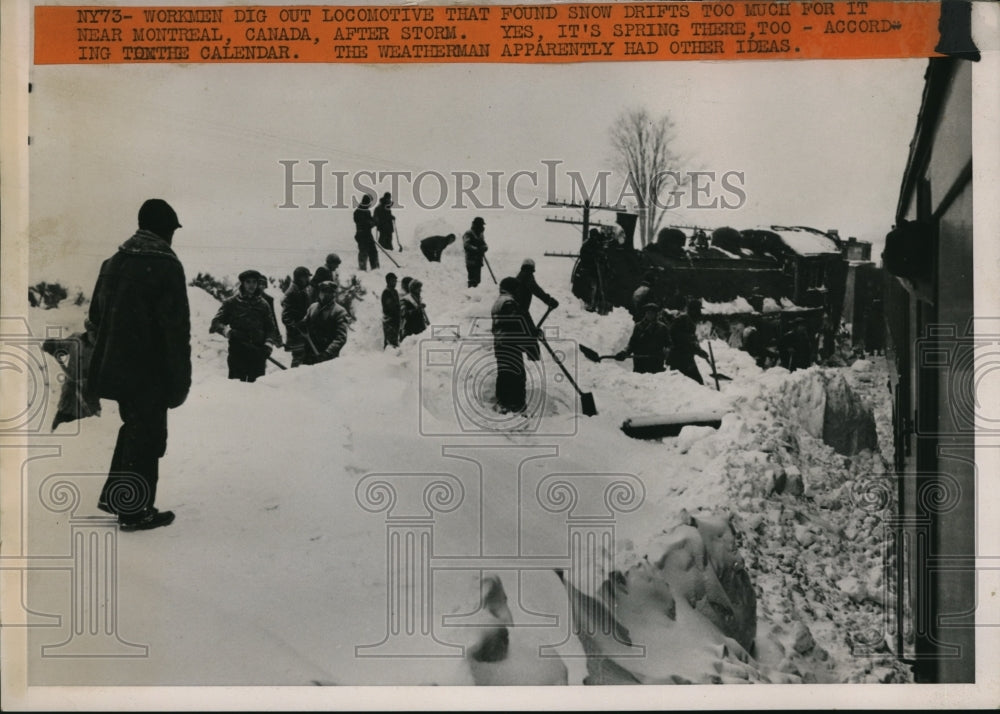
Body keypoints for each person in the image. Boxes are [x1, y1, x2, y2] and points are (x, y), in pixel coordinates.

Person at [89, 198, 190, 531]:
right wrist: (179, 379)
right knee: (147, 435)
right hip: (149, 372)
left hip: (115, 369)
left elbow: (95, 318)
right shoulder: (166, 266)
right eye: (172, 230)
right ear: (164, 229)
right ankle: (135, 512)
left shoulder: (112, 262)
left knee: (133, 428)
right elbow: (175, 330)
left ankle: (122, 502)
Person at [210, 269, 282, 382]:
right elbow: (216, 323)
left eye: (254, 282)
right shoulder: (231, 303)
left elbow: (270, 328)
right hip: (237, 353)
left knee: (256, 390)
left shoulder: (263, 304)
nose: (251, 285)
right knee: (237, 390)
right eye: (248, 282)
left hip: (258, 354)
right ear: (242, 284)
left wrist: (268, 346)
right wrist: (228, 332)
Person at [42, 318, 102, 431]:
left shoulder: (102, 351)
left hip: (88, 401)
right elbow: (62, 346)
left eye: (99, 334)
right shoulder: (77, 340)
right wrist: (53, 345)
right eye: (94, 333)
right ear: (88, 331)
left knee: (87, 431)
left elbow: (104, 376)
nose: (96, 337)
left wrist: (87, 381)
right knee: (59, 427)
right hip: (69, 396)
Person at [491, 277, 531, 413]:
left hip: (500, 344)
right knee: (518, 375)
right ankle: (517, 406)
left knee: (504, 374)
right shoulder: (509, 302)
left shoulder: (499, 301)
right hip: (509, 344)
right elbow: (515, 323)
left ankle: (503, 402)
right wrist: (529, 336)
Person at [513, 258, 558, 362]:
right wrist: (549, 300)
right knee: (532, 336)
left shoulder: (520, 276)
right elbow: (536, 290)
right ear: (532, 268)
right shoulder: (527, 276)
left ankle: (531, 358)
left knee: (530, 335)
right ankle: (534, 361)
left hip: (518, 310)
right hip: (521, 312)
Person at [300, 281, 349, 364]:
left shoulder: (339, 311)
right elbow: (305, 324)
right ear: (319, 292)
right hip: (309, 354)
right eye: (323, 291)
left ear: (334, 294)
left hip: (327, 358)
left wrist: (327, 353)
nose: (325, 294)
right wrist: (301, 325)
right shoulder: (313, 307)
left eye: (329, 292)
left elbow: (341, 338)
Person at [617, 303, 670, 374]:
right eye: (648, 313)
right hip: (640, 365)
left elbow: (668, 344)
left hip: (656, 365)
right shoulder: (638, 327)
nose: (650, 315)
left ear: (656, 314)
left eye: (652, 313)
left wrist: (666, 352)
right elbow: (632, 344)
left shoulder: (662, 328)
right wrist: (624, 352)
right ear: (645, 313)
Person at [667, 297, 708, 384]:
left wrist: (700, 351)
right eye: (698, 310)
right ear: (693, 310)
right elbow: (673, 334)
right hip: (679, 357)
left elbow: (692, 341)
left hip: (686, 357)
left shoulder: (690, 321)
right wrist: (697, 350)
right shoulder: (682, 319)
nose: (700, 313)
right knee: (693, 382)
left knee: (693, 382)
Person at [282, 266, 313, 367]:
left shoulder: (301, 290)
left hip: (303, 332)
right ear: (299, 278)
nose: (308, 280)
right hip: (297, 334)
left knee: (303, 357)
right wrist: (296, 327)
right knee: (298, 358)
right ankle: (293, 379)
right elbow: (286, 317)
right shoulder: (292, 292)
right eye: (306, 277)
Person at [353, 194, 379, 271]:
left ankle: (375, 270)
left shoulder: (366, 211)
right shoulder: (359, 211)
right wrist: (373, 222)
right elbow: (366, 224)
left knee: (373, 252)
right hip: (362, 235)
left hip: (367, 235)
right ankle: (362, 269)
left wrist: (375, 220)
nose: (371, 204)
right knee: (364, 252)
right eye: (370, 202)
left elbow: (370, 221)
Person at [463, 216, 488, 287]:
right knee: (472, 279)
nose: (482, 226)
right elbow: (466, 245)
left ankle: (474, 293)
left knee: (477, 279)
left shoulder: (480, 234)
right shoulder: (468, 233)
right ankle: (470, 293)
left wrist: (484, 248)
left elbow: (484, 244)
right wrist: (477, 249)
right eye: (481, 224)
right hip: (471, 260)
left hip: (478, 260)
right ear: (476, 224)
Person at [381, 272, 401, 349]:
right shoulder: (386, 292)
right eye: (393, 280)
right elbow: (389, 307)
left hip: (395, 319)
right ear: (388, 281)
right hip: (389, 320)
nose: (395, 282)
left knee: (395, 339)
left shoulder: (395, 291)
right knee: (389, 341)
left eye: (395, 281)